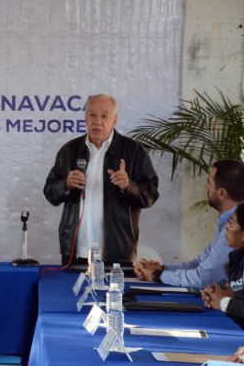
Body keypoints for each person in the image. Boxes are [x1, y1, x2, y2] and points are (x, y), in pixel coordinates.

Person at [43, 93, 159, 266]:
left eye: (104, 116)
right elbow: (50, 192)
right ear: (85, 118)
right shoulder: (69, 150)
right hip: (75, 252)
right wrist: (65, 185)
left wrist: (128, 186)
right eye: (92, 115)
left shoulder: (133, 150)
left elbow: (151, 195)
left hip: (117, 252)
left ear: (114, 120)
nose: (97, 121)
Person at [135, 159, 244, 288]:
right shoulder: (228, 221)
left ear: (221, 193)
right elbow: (199, 264)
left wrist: (157, 275)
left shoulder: (236, 228)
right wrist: (162, 269)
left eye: (209, 183)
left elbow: (203, 278)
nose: (206, 187)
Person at [201, 203, 244, 328]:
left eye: (231, 223)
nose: (226, 227)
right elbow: (238, 288)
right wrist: (216, 293)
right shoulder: (238, 258)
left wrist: (223, 301)